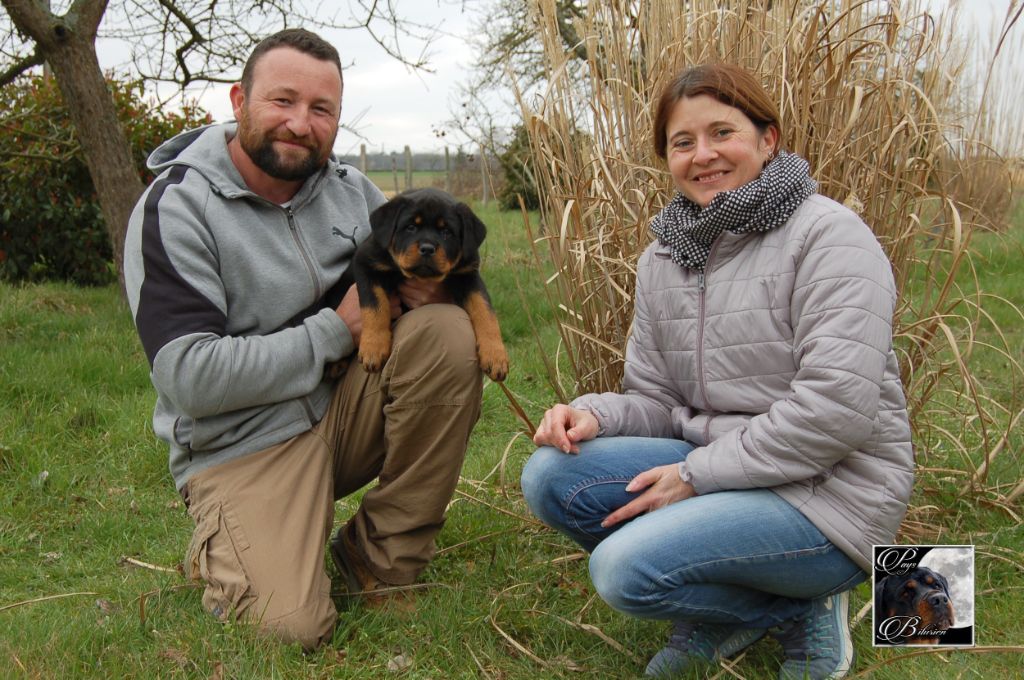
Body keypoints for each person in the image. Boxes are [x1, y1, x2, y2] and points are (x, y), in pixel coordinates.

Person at [520, 63, 913, 679]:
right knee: (551, 477)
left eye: (722, 132)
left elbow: (835, 412)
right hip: (717, 468)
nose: (703, 155)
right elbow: (656, 397)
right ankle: (758, 607)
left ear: (768, 139)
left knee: (622, 569)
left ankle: (809, 603)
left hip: (830, 494)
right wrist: (595, 414)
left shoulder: (830, 237)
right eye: (683, 142)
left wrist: (693, 476)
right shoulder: (666, 256)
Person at [124, 28, 483, 650]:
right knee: (289, 628)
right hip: (243, 444)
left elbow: (437, 260)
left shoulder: (352, 193)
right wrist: (333, 330)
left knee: (448, 331)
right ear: (239, 100)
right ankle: (232, 546)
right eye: (282, 101)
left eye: (322, 110)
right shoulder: (177, 207)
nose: (301, 123)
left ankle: (379, 560)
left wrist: (432, 293)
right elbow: (188, 377)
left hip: (345, 413)